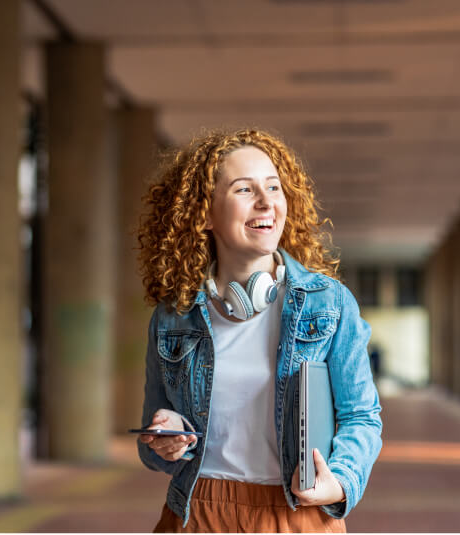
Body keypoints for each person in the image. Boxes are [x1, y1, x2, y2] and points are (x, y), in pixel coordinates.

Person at [136, 129, 382, 533]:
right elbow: (153, 443)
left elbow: (362, 417)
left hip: (296, 514)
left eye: (273, 187)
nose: (267, 202)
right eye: (244, 189)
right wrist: (167, 437)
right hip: (199, 512)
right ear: (205, 213)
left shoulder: (330, 303)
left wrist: (339, 482)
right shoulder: (173, 316)